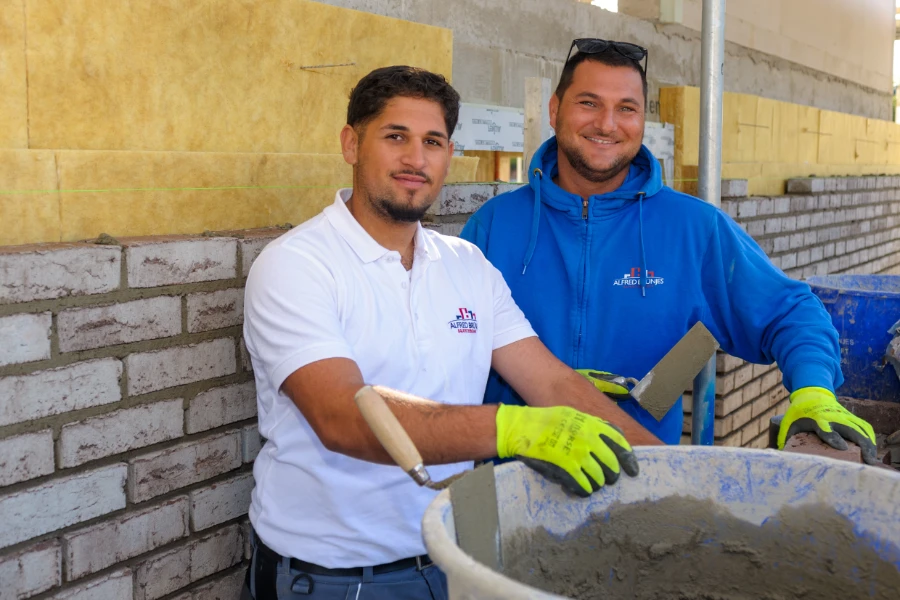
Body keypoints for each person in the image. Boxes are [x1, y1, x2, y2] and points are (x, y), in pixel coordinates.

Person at [241, 65, 661, 600]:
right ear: (351, 144)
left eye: (433, 142)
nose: (416, 160)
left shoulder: (466, 265)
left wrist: (675, 471)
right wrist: (514, 429)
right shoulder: (298, 265)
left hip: (453, 561)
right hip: (330, 578)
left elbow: (552, 385)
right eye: (396, 137)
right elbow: (342, 417)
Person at [460, 39, 877, 462]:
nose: (607, 124)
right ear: (555, 111)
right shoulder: (493, 227)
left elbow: (790, 311)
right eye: (589, 103)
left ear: (642, 120)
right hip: (510, 482)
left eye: (627, 108)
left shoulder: (692, 229)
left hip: (639, 479)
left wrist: (813, 391)